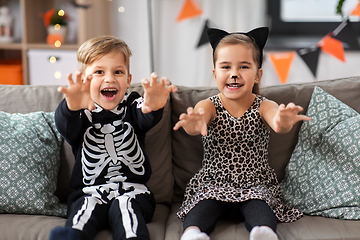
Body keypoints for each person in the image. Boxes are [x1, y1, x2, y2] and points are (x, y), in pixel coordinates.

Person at [173, 27, 311, 240]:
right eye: (225, 66)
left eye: (244, 66)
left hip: (255, 183)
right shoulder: (208, 105)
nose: (234, 73)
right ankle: (192, 234)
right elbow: (197, 122)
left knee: (261, 208)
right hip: (214, 183)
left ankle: (263, 233)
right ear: (215, 73)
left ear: (258, 75)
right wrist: (194, 123)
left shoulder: (264, 105)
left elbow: (277, 122)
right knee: (201, 208)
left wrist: (283, 120)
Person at [49, 35, 177, 240]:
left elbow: (146, 117)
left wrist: (154, 106)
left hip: (133, 191)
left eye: (118, 72)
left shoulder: (133, 104)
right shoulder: (81, 113)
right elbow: (66, 126)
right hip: (90, 191)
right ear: (84, 80)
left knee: (126, 208)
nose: (109, 78)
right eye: (99, 72)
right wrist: (71, 107)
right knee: (84, 210)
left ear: (128, 80)